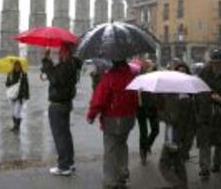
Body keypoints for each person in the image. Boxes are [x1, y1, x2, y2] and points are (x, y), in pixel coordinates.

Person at [86, 59, 139, 189]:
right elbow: (136, 98)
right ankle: (123, 174)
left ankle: (111, 181)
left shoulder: (109, 77)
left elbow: (99, 100)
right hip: (128, 118)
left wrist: (91, 115)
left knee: (110, 149)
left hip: (113, 118)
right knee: (122, 145)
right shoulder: (131, 76)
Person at [41, 43, 82, 176]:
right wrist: (48, 64)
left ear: (66, 51)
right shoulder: (71, 64)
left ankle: (64, 166)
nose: (58, 52)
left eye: (61, 50)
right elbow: (57, 76)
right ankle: (69, 162)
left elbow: (55, 78)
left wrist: (46, 61)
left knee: (60, 136)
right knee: (65, 135)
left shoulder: (66, 65)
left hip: (58, 105)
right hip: (65, 103)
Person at [197, 49, 221, 179]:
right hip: (205, 112)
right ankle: (204, 168)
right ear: (211, 62)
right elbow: (198, 89)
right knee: (204, 141)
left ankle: (217, 164)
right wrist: (210, 95)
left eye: (219, 62)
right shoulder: (204, 73)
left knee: (220, 141)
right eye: (214, 62)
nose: (217, 65)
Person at [136, 59, 160, 165]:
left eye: (151, 66)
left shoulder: (156, 78)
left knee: (155, 129)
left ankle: (147, 145)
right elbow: (136, 93)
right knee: (143, 132)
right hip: (141, 107)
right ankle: (143, 153)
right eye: (147, 66)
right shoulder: (139, 78)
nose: (150, 68)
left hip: (153, 106)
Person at [174, 63, 197, 161]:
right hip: (177, 110)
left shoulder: (191, 82)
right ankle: (180, 154)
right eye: (179, 71)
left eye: (183, 71)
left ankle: (184, 151)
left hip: (189, 110)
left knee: (189, 134)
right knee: (178, 134)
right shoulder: (172, 83)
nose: (181, 73)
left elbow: (194, 96)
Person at [5, 61, 29, 133]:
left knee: (17, 112)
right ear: (14, 66)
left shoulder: (23, 74)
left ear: (20, 66)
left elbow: (26, 85)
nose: (17, 67)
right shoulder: (10, 74)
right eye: (15, 65)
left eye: (18, 66)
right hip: (11, 96)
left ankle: (17, 127)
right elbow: (7, 84)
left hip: (20, 96)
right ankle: (15, 125)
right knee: (13, 112)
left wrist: (26, 96)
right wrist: (8, 80)